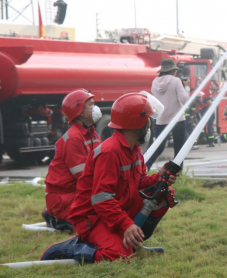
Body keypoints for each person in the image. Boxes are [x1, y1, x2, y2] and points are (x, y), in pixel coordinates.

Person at [41, 92, 179, 263]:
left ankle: (133, 244)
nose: (150, 125)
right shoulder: (110, 152)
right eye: (148, 120)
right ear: (137, 122)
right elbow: (101, 199)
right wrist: (126, 224)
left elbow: (138, 181)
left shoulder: (134, 147)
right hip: (93, 217)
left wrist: (157, 178)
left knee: (163, 193)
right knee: (120, 256)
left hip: (114, 208)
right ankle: (71, 247)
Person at [43, 89, 102, 232]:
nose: (95, 109)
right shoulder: (73, 138)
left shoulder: (92, 135)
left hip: (77, 193)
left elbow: (103, 163)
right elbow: (84, 177)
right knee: (95, 223)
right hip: (63, 198)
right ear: (80, 111)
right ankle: (55, 217)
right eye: (91, 105)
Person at [147, 59, 192, 170]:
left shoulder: (154, 82)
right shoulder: (176, 81)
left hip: (161, 120)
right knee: (179, 149)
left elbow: (154, 100)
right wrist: (187, 86)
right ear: (172, 70)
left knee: (158, 148)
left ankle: (145, 166)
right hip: (177, 119)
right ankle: (176, 174)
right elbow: (183, 98)